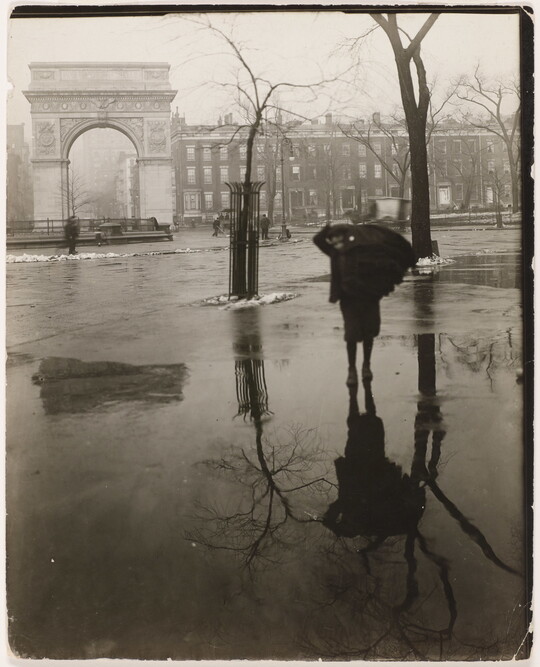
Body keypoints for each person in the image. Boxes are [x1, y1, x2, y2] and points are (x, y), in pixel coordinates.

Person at [314, 222, 414, 386]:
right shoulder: (334, 253)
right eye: (333, 240)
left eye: (338, 238)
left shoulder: (363, 249)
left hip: (369, 297)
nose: (336, 243)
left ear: (346, 237)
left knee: (369, 332)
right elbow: (318, 239)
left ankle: (366, 365)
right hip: (348, 300)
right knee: (351, 334)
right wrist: (329, 227)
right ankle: (351, 369)